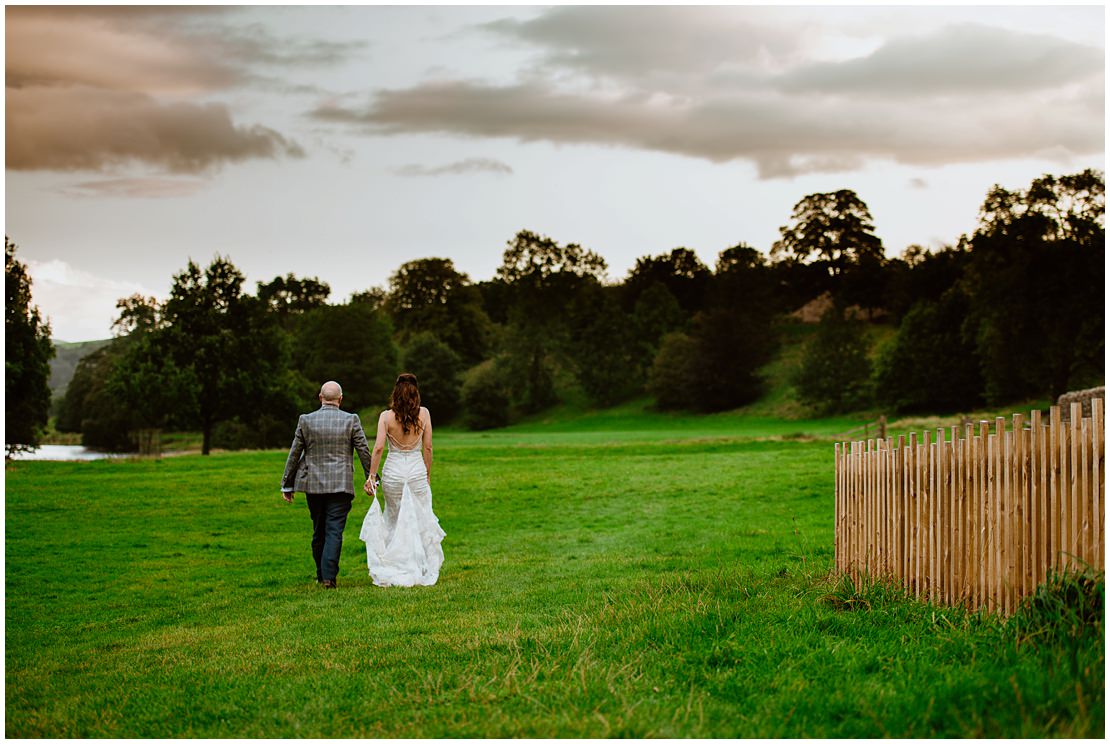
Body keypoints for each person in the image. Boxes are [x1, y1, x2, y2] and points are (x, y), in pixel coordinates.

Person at [280, 381, 373, 589]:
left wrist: (287, 484)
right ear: (340, 399)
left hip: (313, 485)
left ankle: (322, 575)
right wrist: (371, 477)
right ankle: (328, 577)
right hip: (341, 484)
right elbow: (363, 450)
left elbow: (294, 453)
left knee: (318, 530)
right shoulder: (351, 420)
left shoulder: (306, 420)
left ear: (320, 398)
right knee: (334, 531)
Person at [359, 372, 445, 587]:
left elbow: (378, 447)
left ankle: (394, 564)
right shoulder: (424, 414)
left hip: (394, 473)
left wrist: (371, 476)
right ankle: (422, 564)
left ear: (395, 393)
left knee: (394, 517)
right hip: (416, 470)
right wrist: (427, 473)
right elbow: (428, 447)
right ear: (416, 393)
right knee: (420, 516)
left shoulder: (385, 417)